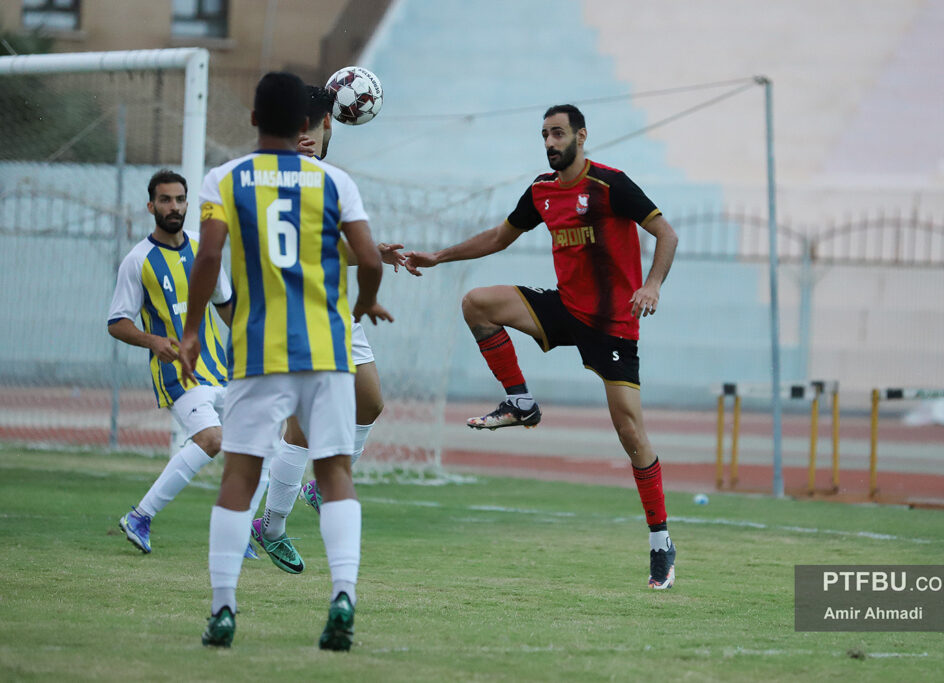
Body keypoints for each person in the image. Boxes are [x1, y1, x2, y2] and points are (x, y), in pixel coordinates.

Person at [403, 104, 681, 590]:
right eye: (545, 135)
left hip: (613, 324)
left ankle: (660, 541)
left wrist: (652, 284)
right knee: (477, 304)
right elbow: (499, 237)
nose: (551, 143)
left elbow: (666, 233)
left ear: (581, 136)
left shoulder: (611, 185)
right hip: (566, 309)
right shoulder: (541, 191)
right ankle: (521, 402)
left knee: (631, 434)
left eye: (558, 134)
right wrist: (440, 257)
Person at [180, 71, 391, 650]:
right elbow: (368, 258)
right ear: (307, 124)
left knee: (239, 475)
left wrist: (194, 327)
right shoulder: (333, 181)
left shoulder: (223, 180)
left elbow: (210, 256)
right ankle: (342, 596)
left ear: (252, 119)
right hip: (324, 350)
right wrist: (368, 299)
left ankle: (224, 609)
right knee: (336, 472)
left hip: (258, 350)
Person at [250, 86, 405, 572]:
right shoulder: (263, 174)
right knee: (300, 422)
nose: (305, 136)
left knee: (371, 400)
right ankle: (269, 526)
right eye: (295, 126)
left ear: (329, 126)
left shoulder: (333, 179)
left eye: (312, 125)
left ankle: (312, 491)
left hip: (334, 307)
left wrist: (374, 251)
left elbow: (333, 238)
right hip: (291, 310)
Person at [107, 170, 264, 558]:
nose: (173, 206)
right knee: (211, 439)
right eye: (165, 200)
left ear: (188, 203)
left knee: (266, 441)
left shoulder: (203, 249)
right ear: (151, 206)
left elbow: (226, 304)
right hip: (178, 375)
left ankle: (240, 528)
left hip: (219, 371)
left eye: (179, 199)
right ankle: (140, 516)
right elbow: (117, 323)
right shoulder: (137, 261)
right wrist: (153, 340)